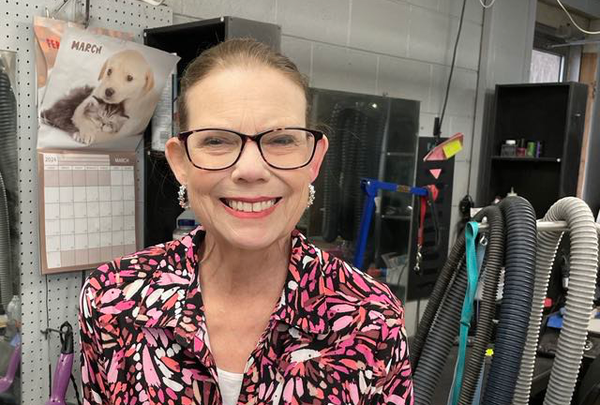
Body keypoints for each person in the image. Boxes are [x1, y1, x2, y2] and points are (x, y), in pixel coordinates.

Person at [79, 38, 413, 405]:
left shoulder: (371, 318)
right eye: (216, 141)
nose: (251, 170)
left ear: (314, 160)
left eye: (282, 140)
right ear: (181, 162)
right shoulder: (113, 298)